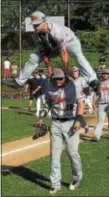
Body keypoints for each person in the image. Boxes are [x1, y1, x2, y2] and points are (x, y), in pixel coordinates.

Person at [3, 11, 99, 92]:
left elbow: (63, 51)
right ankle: (19, 82)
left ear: (44, 21)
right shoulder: (36, 34)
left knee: (79, 57)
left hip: (70, 42)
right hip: (51, 46)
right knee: (34, 57)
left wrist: (66, 69)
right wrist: (48, 66)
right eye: (34, 25)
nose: (35, 27)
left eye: (37, 25)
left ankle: (93, 80)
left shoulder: (57, 31)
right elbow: (43, 51)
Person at [37, 68, 85, 194]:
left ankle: (77, 178)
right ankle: (55, 183)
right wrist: (41, 116)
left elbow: (81, 102)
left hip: (70, 123)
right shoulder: (50, 87)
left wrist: (79, 119)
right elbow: (47, 102)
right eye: (55, 78)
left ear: (65, 78)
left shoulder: (74, 86)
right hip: (55, 124)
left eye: (60, 78)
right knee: (54, 155)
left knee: (72, 154)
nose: (58, 81)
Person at [91, 68, 109, 142]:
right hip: (101, 104)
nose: (105, 75)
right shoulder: (99, 82)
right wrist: (93, 102)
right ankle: (96, 136)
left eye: (107, 73)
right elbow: (95, 93)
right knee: (100, 120)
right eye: (104, 73)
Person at [71, 66, 89, 133]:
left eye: (75, 71)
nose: (74, 73)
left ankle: (84, 126)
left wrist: (85, 90)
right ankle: (82, 126)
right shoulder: (71, 80)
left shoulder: (82, 79)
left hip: (81, 99)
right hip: (73, 101)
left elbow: (86, 88)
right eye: (73, 71)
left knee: (79, 115)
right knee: (73, 116)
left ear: (78, 72)